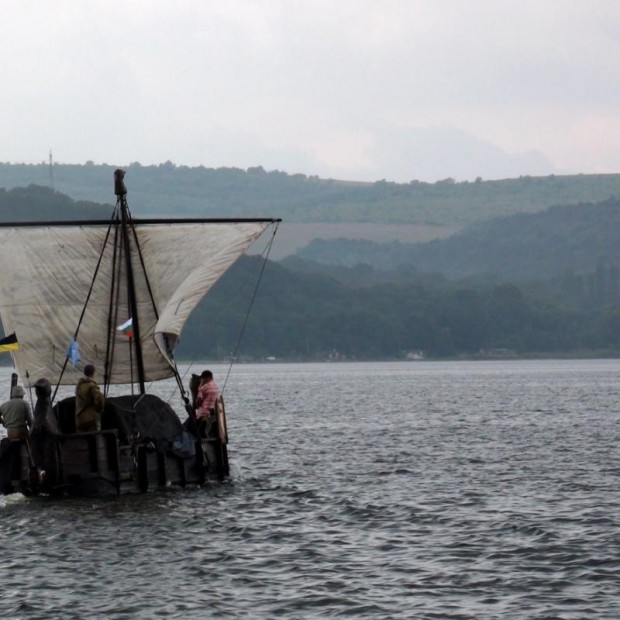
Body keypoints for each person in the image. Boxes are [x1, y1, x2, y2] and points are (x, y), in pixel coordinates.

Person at [75, 364, 104, 433]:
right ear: (93, 373)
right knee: (94, 438)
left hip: (79, 419)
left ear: (84, 372)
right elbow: (99, 401)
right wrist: (100, 409)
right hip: (91, 419)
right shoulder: (93, 386)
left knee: (82, 440)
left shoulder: (79, 385)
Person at [195, 370, 219, 437]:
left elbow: (198, 403)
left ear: (206, 378)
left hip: (203, 414)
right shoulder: (216, 386)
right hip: (212, 413)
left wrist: (199, 387)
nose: (202, 380)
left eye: (202, 379)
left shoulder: (203, 387)